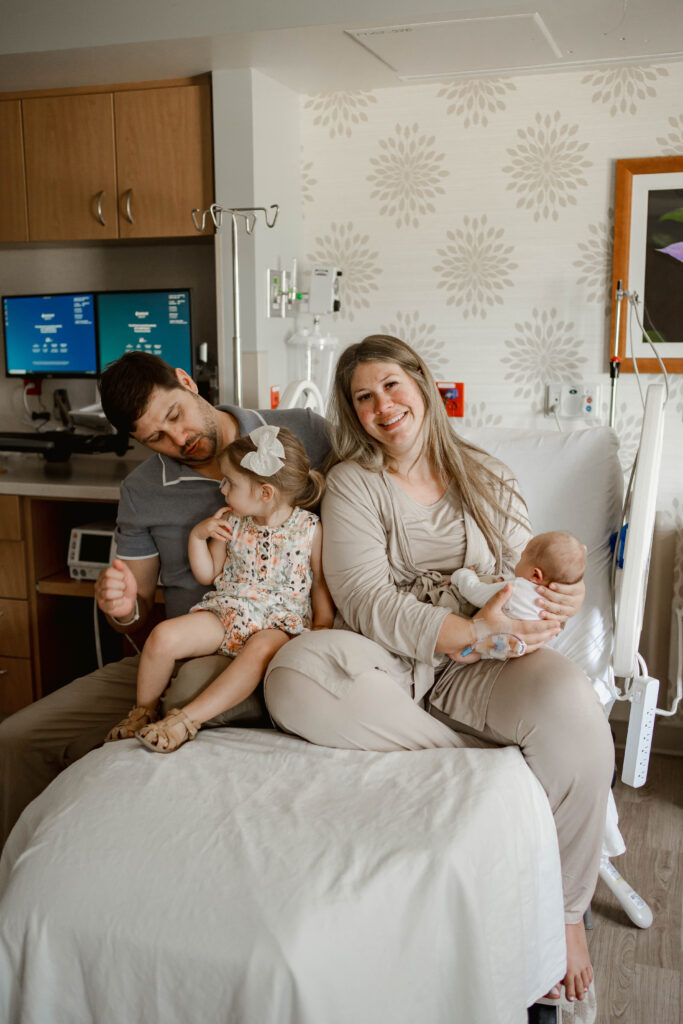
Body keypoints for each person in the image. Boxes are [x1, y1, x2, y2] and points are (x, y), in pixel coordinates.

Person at [263, 335, 614, 1005]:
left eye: (391, 386)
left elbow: (523, 575)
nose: (381, 406)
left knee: (572, 704)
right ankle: (484, 765)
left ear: (420, 385)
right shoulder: (353, 485)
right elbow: (365, 598)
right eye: (362, 397)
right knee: (296, 671)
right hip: (388, 662)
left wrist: (549, 605)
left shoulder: (488, 475)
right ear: (352, 412)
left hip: (479, 666)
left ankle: (566, 913)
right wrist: (467, 629)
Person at [0, 353, 330, 844]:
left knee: (187, 693)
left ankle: (178, 720)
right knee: (16, 740)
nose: (178, 440)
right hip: (186, 641)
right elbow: (133, 616)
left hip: (273, 645)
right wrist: (120, 606)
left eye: (174, 416)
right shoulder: (141, 490)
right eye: (155, 436)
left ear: (186, 381)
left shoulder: (302, 434)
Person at [105, 426, 334, 753]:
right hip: (228, 612)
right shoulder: (232, 522)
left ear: (265, 492)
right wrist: (199, 536)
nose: (222, 488)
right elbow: (208, 573)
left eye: (230, 483)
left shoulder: (309, 528)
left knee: (257, 651)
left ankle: (186, 720)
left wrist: (323, 624)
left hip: (280, 624)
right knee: (162, 636)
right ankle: (142, 711)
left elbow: (319, 582)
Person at [451, 529, 587, 626]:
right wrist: (505, 580)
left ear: (535, 575)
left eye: (522, 557)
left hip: (493, 642)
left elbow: (475, 592)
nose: (519, 561)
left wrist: (463, 574)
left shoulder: (515, 589)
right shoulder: (552, 604)